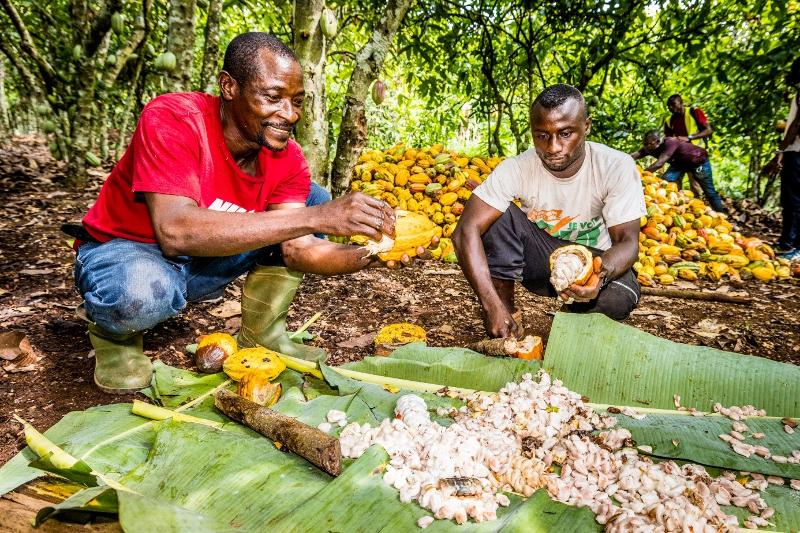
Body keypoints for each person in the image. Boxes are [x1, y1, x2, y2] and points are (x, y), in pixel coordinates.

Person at [68, 32, 425, 393]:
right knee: (141, 296)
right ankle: (115, 338)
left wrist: (370, 253)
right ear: (229, 86)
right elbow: (175, 231)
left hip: (203, 265)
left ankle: (262, 333)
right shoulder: (174, 118)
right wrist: (320, 217)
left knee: (311, 198)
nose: (289, 114)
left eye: (297, 101)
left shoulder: (286, 158)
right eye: (272, 98)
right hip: (128, 251)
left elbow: (298, 249)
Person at [452, 84, 645, 339]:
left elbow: (628, 243)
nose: (553, 147)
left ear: (586, 126)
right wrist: (491, 307)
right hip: (543, 258)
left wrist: (598, 273)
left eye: (565, 133)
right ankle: (508, 320)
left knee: (618, 299)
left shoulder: (615, 166)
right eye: (542, 135)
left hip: (595, 260)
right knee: (494, 217)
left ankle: (572, 322)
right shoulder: (517, 168)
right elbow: (464, 231)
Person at [630, 130, 726, 213]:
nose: (645, 147)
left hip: (698, 160)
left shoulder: (670, 142)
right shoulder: (649, 148)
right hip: (679, 164)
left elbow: (659, 164)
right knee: (664, 183)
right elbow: (634, 155)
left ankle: (721, 215)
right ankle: (672, 207)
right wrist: (620, 159)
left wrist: (641, 175)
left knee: (709, 192)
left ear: (658, 141)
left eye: (648, 144)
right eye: (644, 144)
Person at [761, 58, 800, 258]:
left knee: (792, 200)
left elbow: (795, 126)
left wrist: (780, 152)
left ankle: (789, 245)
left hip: (797, 152)